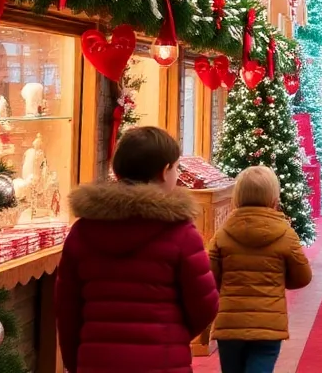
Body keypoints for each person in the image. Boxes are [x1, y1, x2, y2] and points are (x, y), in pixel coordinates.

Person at [56, 126, 219, 373]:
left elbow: (67, 310)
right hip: (162, 362)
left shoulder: (82, 232)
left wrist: (75, 363)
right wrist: (172, 333)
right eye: (177, 168)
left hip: (98, 363)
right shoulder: (181, 233)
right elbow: (204, 306)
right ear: (165, 171)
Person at [207, 166, 313, 373]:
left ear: (236, 197)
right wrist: (278, 280)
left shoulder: (222, 234)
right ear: (274, 198)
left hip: (230, 324)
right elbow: (303, 277)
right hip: (268, 325)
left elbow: (210, 277)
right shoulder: (286, 234)